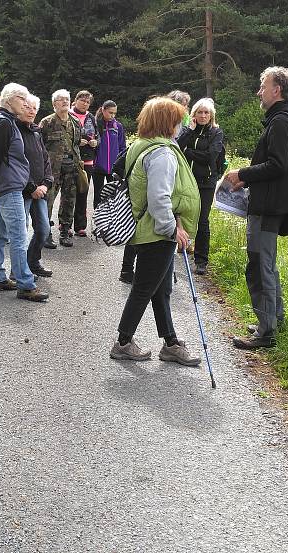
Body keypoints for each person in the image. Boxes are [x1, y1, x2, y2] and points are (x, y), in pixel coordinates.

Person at [109, 97, 201, 366]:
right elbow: (160, 197)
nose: (181, 126)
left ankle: (170, 343)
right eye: (178, 121)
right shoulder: (162, 154)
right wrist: (173, 229)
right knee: (144, 288)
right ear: (167, 123)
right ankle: (123, 342)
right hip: (156, 232)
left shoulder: (143, 146)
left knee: (161, 289)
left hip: (149, 230)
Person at [224, 66, 288, 350]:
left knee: (260, 267)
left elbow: (277, 165)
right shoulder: (287, 118)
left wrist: (242, 174)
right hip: (273, 204)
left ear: (277, 90)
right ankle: (273, 319)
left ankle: (265, 332)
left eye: (263, 86)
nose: (259, 92)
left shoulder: (282, 121)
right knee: (266, 265)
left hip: (269, 207)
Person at [0, 83, 50, 302]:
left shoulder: (3, 120)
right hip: (10, 187)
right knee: (18, 235)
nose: (26, 103)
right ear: (9, 99)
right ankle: (25, 283)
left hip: (6, 186)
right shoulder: (4, 123)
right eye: (22, 98)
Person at [177, 97, 224, 275]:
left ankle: (201, 260)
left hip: (207, 182)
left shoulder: (216, 132)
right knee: (181, 214)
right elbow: (177, 146)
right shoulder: (190, 131)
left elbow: (210, 156)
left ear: (211, 115)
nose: (203, 115)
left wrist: (188, 152)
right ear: (194, 114)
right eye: (200, 112)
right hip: (187, 181)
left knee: (202, 220)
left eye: (206, 113)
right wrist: (190, 130)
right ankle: (181, 245)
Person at [16, 93, 54, 278]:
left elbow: (45, 159)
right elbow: (17, 164)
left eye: (34, 108)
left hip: (40, 190)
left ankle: (32, 262)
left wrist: (46, 183)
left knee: (43, 229)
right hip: (23, 191)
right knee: (20, 233)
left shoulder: (37, 131)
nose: (31, 111)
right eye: (27, 107)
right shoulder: (15, 130)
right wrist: (32, 187)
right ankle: (18, 271)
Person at [40, 89, 83, 248]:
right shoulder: (46, 123)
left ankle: (65, 231)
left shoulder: (76, 122)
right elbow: (39, 148)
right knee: (47, 202)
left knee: (69, 201)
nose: (64, 101)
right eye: (60, 99)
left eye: (67, 99)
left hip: (71, 169)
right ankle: (45, 233)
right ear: (53, 104)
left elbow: (77, 144)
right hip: (52, 170)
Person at [69, 90, 98, 237]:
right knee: (68, 192)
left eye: (87, 102)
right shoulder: (68, 114)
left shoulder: (91, 117)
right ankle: (65, 224)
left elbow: (98, 136)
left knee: (83, 192)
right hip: (70, 159)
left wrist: (95, 142)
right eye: (82, 100)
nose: (85, 104)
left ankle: (80, 225)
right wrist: (77, 141)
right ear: (76, 100)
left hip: (88, 160)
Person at [92, 100, 126, 209]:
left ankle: (112, 218)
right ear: (103, 110)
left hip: (113, 167)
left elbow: (122, 147)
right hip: (98, 166)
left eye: (114, 113)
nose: (112, 115)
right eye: (110, 112)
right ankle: (97, 217)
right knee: (98, 194)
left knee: (114, 194)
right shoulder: (95, 125)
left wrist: (121, 164)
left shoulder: (118, 126)